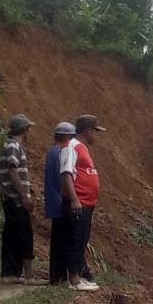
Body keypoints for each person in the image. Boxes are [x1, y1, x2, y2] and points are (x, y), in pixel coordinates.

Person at [0, 114, 47, 285]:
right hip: (16, 199)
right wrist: (23, 195)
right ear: (25, 130)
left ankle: (10, 273)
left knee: (12, 235)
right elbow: (12, 171)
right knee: (24, 234)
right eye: (28, 129)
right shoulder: (13, 146)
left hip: (10, 198)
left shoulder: (9, 145)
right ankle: (29, 276)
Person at [59, 114, 106, 292]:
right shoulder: (71, 147)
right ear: (88, 130)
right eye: (96, 131)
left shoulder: (81, 147)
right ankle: (74, 280)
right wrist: (74, 199)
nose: (97, 135)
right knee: (76, 239)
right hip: (79, 202)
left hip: (86, 202)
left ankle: (78, 275)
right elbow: (66, 174)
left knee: (81, 239)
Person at [43, 121, 94, 285]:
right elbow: (65, 177)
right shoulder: (61, 152)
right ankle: (68, 276)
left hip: (57, 201)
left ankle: (58, 277)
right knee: (68, 240)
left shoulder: (54, 152)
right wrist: (72, 199)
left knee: (60, 241)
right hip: (61, 202)